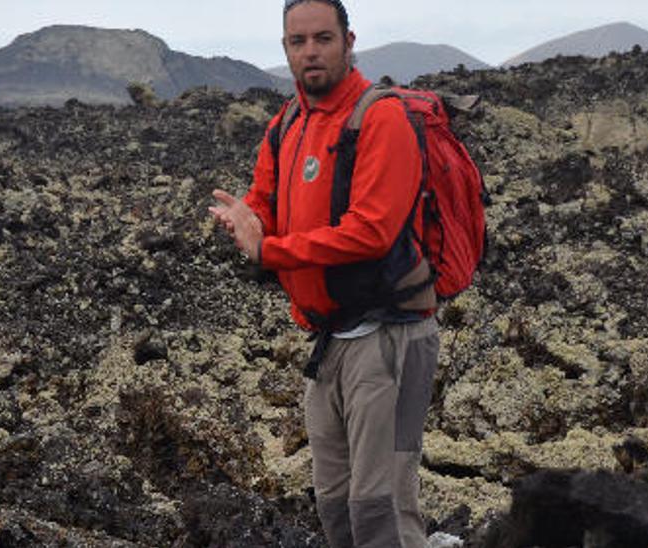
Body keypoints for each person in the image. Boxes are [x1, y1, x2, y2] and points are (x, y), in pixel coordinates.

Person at [208, 1, 440, 546]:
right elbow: (265, 199)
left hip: (391, 339)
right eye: (297, 42)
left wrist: (272, 252)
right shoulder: (286, 122)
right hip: (327, 339)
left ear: (348, 40)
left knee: (381, 507)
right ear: (285, 48)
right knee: (334, 502)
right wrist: (246, 220)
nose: (310, 52)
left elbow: (371, 232)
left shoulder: (381, 118)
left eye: (323, 38)